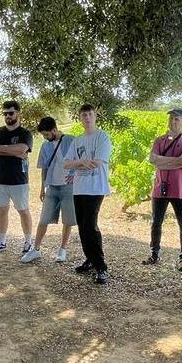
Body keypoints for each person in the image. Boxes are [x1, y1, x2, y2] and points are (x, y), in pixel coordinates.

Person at [63, 104, 113, 284]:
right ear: (80, 118)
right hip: (79, 189)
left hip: (95, 188)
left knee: (90, 226)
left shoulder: (102, 137)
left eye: (90, 114)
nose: (87, 118)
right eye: (83, 115)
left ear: (95, 116)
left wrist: (78, 163)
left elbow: (98, 162)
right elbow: (66, 163)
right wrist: (83, 163)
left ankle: (101, 267)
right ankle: (90, 259)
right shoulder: (77, 140)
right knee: (82, 227)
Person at [142, 108, 182, 271]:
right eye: (171, 118)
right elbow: (152, 159)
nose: (173, 121)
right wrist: (174, 162)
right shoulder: (159, 140)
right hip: (160, 187)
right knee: (156, 223)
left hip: (180, 188)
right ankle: (154, 254)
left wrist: (162, 161)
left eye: (177, 119)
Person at [21, 116, 75, 264]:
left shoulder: (71, 140)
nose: (45, 137)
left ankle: (62, 250)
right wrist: (42, 188)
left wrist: (75, 176)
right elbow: (44, 167)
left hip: (69, 186)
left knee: (68, 220)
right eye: (43, 135)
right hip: (52, 186)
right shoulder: (45, 146)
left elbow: (78, 160)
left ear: (54, 130)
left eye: (46, 134)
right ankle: (36, 249)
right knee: (43, 219)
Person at [0, 100, 35, 255]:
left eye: (11, 113)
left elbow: (23, 148)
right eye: (5, 113)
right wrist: (13, 151)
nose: (7, 116)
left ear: (18, 113)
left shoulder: (25, 133)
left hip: (18, 180)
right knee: (1, 210)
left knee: (23, 210)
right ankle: (1, 242)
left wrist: (0, 149)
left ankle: (28, 242)